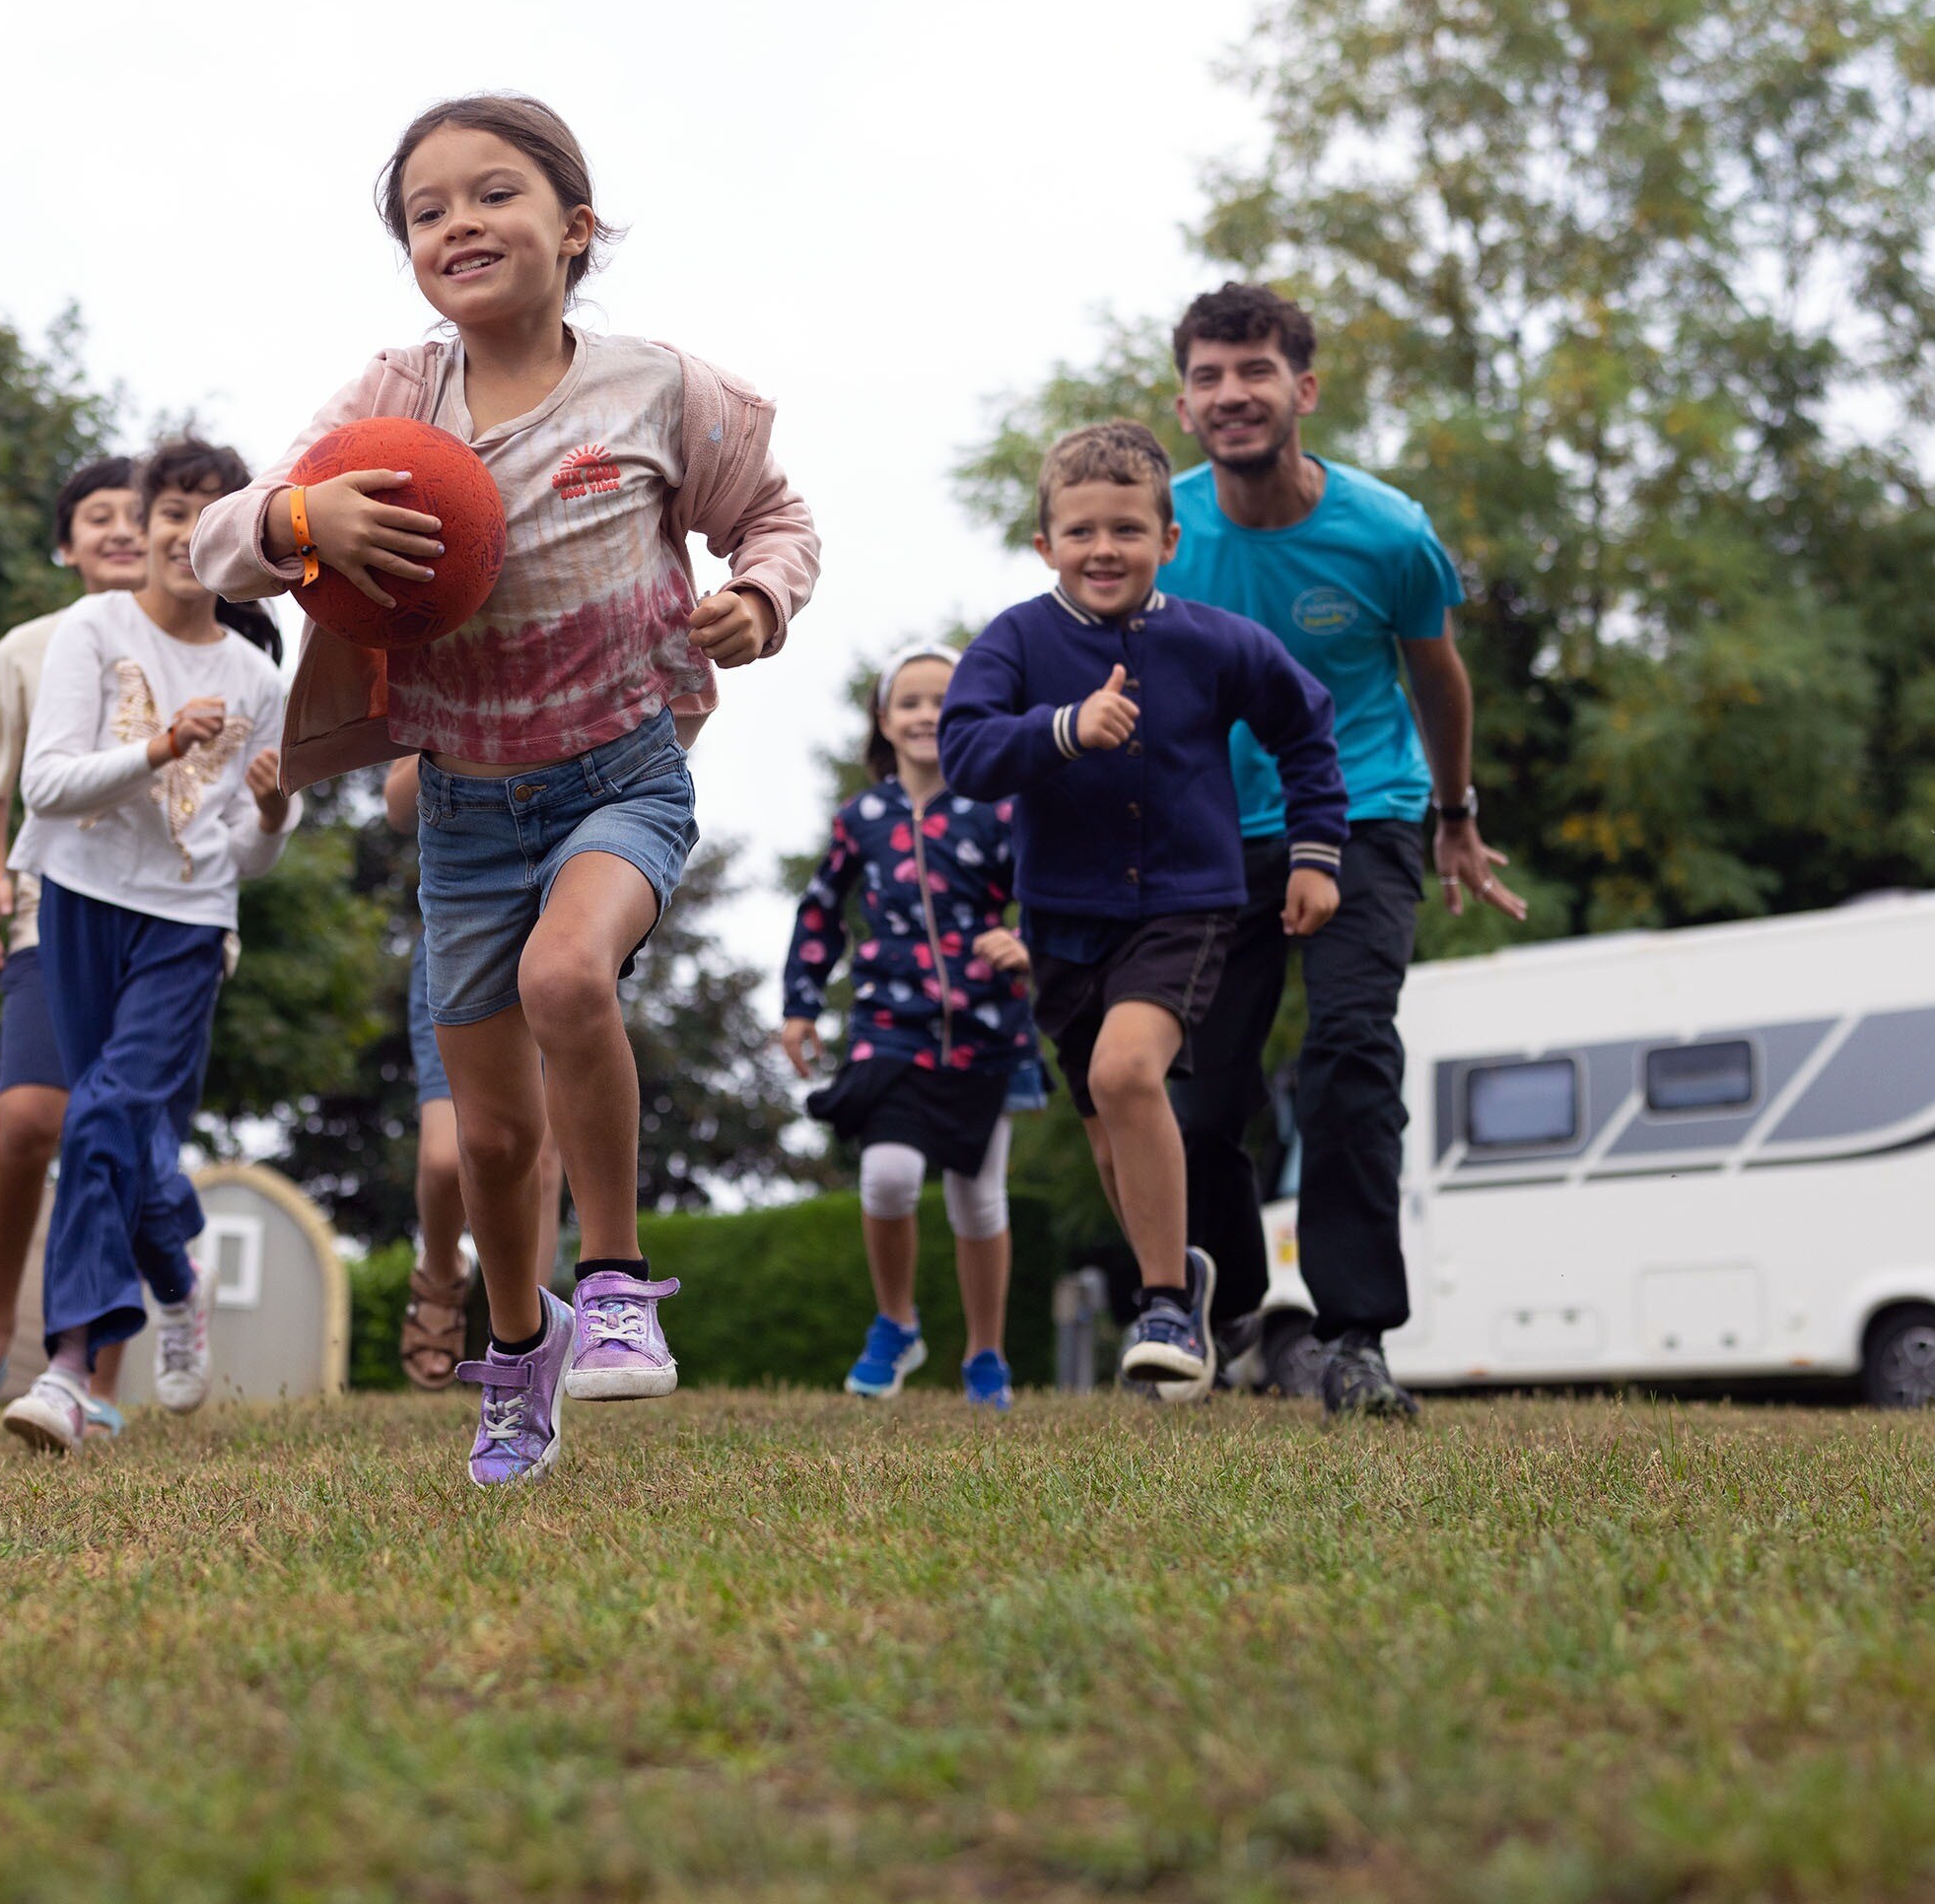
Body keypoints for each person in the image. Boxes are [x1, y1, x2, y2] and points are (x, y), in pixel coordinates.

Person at [193, 93, 818, 1485]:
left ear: (574, 229)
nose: (459, 223)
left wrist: (759, 603)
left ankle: (617, 1286)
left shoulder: (658, 387)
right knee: (485, 1133)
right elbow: (216, 545)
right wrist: (306, 516)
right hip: (467, 808)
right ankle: (520, 1351)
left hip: (624, 775)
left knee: (568, 983)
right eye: (427, 211)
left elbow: (774, 515)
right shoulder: (391, 402)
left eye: (494, 195)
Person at [1156, 283, 1526, 1420]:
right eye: (1210, 376)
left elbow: (1439, 676)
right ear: (1183, 403)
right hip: (1220, 832)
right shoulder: (1160, 531)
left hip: (1366, 810)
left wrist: (1455, 814)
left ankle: (1355, 1333)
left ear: (1302, 389)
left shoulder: (1387, 532)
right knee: (1202, 1098)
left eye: (1255, 370)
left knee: (1352, 1054)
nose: (1234, 393)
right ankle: (1234, 1315)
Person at [941, 421, 1348, 1402]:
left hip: (1188, 904)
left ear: (1170, 538)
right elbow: (965, 751)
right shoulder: (1018, 640)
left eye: (1128, 529)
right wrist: (1064, 729)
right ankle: (1190, 1289)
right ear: (1045, 545)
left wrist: (1315, 851)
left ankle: (1164, 1297)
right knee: (1104, 1126)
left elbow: (1305, 725)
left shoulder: (1216, 642)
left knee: (1130, 1071)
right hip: (1064, 924)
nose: (1104, 549)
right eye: (1080, 531)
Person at [0, 437, 297, 1452]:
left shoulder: (259, 678)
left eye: (208, 514)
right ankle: (176, 1270)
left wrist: (272, 815)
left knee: (104, 1116)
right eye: (170, 510)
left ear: (234, 541)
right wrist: (163, 745)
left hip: (187, 919)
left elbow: (250, 860)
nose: (181, 531)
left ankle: (70, 1371)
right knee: (118, 1131)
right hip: (78, 896)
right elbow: (45, 786)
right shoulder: (93, 626)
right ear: (149, 523)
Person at [0, 454, 144, 1432]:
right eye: (99, 516)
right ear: (67, 544)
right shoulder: (23, 651)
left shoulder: (209, 645)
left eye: (143, 514)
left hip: (165, 925)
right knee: (27, 1116)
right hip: (51, 906)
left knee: (121, 1129)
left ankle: (96, 1375)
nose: (123, 530)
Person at [780, 647, 1042, 1408]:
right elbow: (822, 911)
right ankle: (896, 1321)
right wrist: (800, 1002)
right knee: (888, 1178)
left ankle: (986, 1356)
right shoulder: (860, 818)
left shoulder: (999, 807)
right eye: (912, 702)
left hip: (988, 1028)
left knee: (977, 1199)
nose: (928, 714)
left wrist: (1025, 941)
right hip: (890, 1028)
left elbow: (1048, 890)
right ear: (884, 722)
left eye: (945, 700)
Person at [382, 753, 570, 1391]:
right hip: (462, 944)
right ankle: (439, 1275)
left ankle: (525, 1354)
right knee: (446, 1159)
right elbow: (397, 805)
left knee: (540, 1159)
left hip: (556, 937)